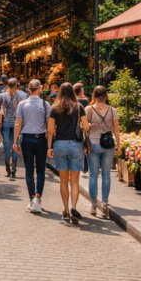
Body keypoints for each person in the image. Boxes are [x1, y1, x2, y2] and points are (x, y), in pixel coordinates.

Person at [47, 82, 89, 226]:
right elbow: (86, 126)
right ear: (72, 92)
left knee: (63, 181)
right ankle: (73, 208)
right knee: (75, 181)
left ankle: (65, 209)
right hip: (76, 145)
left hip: (59, 144)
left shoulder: (54, 108)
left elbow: (51, 129)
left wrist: (49, 147)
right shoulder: (79, 107)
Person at [14, 79, 50, 214]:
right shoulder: (46, 104)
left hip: (27, 139)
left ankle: (31, 199)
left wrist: (15, 141)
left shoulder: (22, 104)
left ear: (28, 89)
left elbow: (18, 123)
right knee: (41, 171)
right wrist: (50, 142)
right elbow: (49, 125)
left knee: (29, 171)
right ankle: (38, 198)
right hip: (41, 139)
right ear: (40, 88)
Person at [86, 85, 120, 218]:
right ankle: (105, 201)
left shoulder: (89, 109)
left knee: (93, 174)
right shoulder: (113, 110)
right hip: (108, 144)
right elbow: (116, 130)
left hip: (93, 144)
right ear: (106, 96)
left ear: (94, 95)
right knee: (106, 174)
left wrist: (90, 127)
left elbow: (83, 127)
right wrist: (118, 145)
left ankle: (94, 204)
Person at [0, 78, 27, 179]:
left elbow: (1, 111)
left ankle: (7, 167)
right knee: (16, 144)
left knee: (7, 145)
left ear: (7, 84)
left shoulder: (2, 95)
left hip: (6, 122)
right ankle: (14, 167)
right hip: (18, 123)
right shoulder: (24, 95)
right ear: (17, 84)